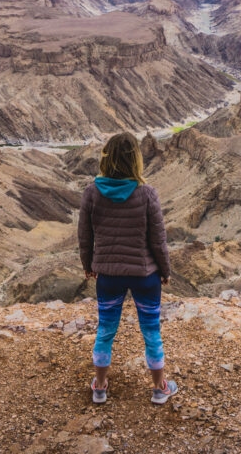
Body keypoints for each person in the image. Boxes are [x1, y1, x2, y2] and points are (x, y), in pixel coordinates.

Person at [78, 132, 178, 405]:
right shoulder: (147, 194)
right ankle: (160, 389)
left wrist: (88, 266)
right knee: (151, 331)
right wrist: (165, 271)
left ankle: (100, 387)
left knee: (106, 330)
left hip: (108, 276)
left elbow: (85, 237)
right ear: (135, 160)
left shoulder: (91, 192)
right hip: (145, 276)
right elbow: (158, 240)